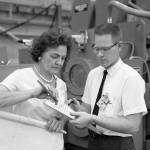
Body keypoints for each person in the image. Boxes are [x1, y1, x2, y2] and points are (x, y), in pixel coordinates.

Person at [69, 23, 147, 150]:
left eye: (105, 49)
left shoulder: (130, 78)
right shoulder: (93, 75)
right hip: (93, 141)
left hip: (118, 144)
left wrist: (93, 118)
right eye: (96, 48)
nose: (99, 54)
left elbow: (133, 125)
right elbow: (87, 109)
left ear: (119, 47)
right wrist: (77, 110)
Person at [0, 28, 71, 150]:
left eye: (63, 58)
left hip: (52, 144)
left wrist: (61, 121)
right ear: (40, 55)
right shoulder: (20, 76)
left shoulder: (61, 85)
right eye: (54, 56)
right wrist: (32, 93)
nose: (59, 62)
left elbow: (64, 112)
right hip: (23, 144)